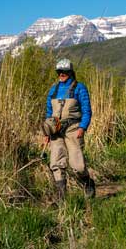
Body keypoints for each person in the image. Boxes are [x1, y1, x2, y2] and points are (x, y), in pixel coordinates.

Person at [43, 58, 95, 201]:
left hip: (73, 129)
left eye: (64, 72)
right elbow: (49, 112)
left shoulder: (80, 88)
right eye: (59, 72)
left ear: (70, 72)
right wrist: (46, 132)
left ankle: (88, 183)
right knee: (56, 163)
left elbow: (87, 110)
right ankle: (62, 198)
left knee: (77, 165)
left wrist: (82, 127)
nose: (61, 74)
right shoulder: (53, 90)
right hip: (55, 132)